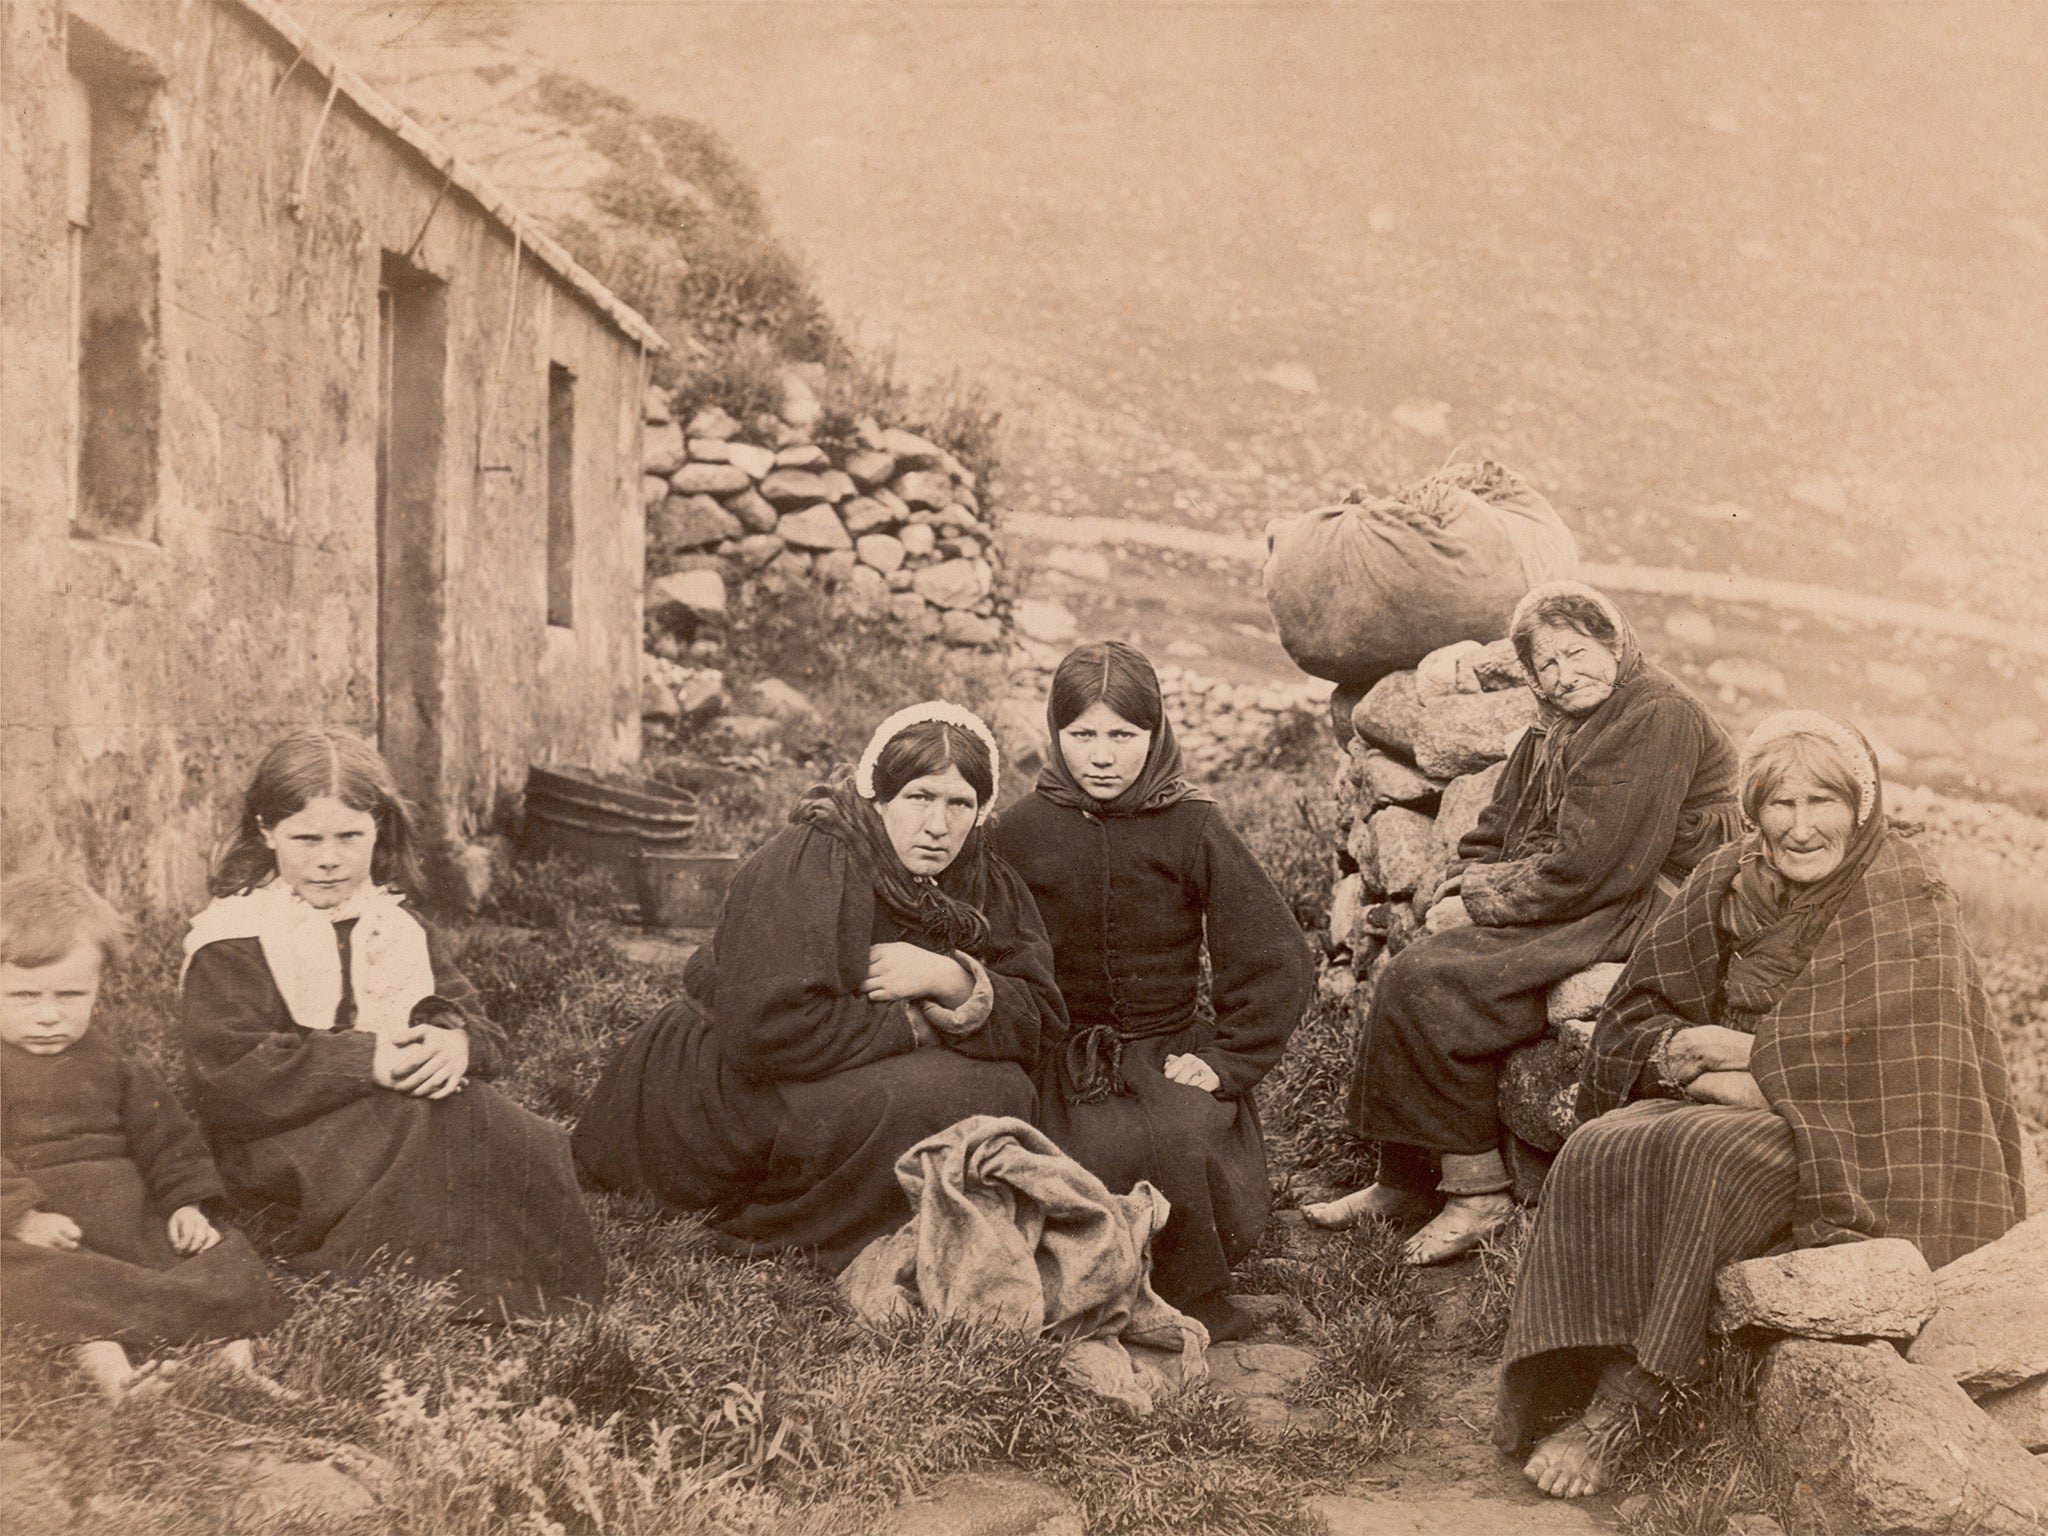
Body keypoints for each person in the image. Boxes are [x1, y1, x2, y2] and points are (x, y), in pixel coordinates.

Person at [1497, 711, 2025, 1498]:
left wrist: (1751, 1057)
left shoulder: (1905, 892)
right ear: (1753, 810)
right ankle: (1563, 1370)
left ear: (1862, 806)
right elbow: (1641, 1010)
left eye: (1825, 803)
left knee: (1714, 1160)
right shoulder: (1728, 877)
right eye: (1781, 803)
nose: (1803, 827)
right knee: (1599, 1145)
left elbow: (1905, 1057)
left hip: (1849, 1124)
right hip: (1720, 1091)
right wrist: (1704, 1072)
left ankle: (1631, 1404)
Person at [1310, 582, 1740, 1264]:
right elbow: (1496, 828)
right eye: (1548, 665)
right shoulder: (1553, 725)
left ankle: (1477, 1191)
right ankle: (1404, 1179)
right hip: (1582, 890)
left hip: (1645, 898)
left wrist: (1479, 901)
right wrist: (1463, 883)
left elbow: (1598, 865)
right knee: (1411, 968)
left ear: (1616, 644)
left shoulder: (1654, 715)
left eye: (1578, 653)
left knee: (1433, 983)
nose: (1566, 675)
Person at [573, 703, 1065, 1272]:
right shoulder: (818, 855)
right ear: (878, 796)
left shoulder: (980, 874)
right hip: (727, 1089)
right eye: (919, 797)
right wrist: (914, 1022)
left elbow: (1042, 1020)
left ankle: (916, 1230)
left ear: (981, 811)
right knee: (939, 1097)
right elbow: (766, 1030)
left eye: (960, 804)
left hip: (838, 1062)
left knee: (1001, 1088)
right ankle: (796, 1230)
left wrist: (950, 980)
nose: (938, 825)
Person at [179, 730, 606, 1322]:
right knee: (419, 1125)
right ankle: (426, 1274)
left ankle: (524, 1284)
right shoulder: (235, 940)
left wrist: (456, 1041)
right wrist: (366, 1060)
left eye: (350, 836)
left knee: (500, 1122)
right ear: (266, 831)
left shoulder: (392, 925)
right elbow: (230, 1080)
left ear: (378, 831)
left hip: (381, 1115)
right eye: (306, 838)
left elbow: (476, 1021)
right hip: (277, 1141)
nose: (329, 859)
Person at [993, 642, 1313, 1340]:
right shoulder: (1018, 831)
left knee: (1181, 1138)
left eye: (1122, 735)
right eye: (1082, 735)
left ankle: (1195, 1298)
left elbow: (1272, 950)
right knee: (1085, 1156)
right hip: (1063, 1052)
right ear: (1055, 734)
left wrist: (1230, 1059)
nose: (1101, 757)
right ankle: (1092, 1294)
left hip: (1167, 1047)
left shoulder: (1191, 822)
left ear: (1155, 734)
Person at [3, 873, 291, 1402]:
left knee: (219, 1259)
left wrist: (186, 1205)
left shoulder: (117, 1065)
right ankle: (116, 1377)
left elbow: (167, 1139)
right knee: (45, 1287)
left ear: (99, 988)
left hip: (130, 1216)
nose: (48, 1015)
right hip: (48, 1229)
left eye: (70, 995)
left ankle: (234, 1363)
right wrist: (21, 1217)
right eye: (23, 996)